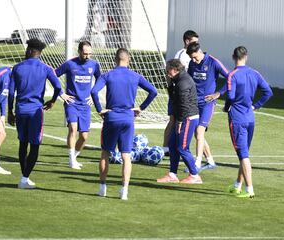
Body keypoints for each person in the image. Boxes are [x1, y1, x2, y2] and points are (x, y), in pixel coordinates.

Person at [91, 48, 157, 200]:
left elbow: (94, 92)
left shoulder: (107, 75)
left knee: (105, 153)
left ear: (115, 59)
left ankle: (102, 187)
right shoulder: (135, 76)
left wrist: (100, 109)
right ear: (129, 60)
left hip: (111, 118)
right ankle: (124, 191)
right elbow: (153, 91)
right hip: (128, 118)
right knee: (126, 156)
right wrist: (141, 108)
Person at [8, 38, 74, 189]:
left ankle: (24, 177)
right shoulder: (45, 68)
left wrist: (10, 111)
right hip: (36, 112)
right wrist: (52, 101)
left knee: (23, 143)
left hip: (21, 109)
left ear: (30, 51)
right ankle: (24, 178)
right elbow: (58, 87)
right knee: (35, 145)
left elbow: (11, 92)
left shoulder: (17, 68)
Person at [224, 46, 273, 198]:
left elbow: (230, 96)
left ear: (233, 56)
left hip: (237, 119)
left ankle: (249, 189)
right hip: (250, 118)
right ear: (246, 56)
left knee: (243, 155)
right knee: (243, 153)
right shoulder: (254, 73)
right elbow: (268, 92)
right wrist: (255, 105)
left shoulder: (232, 75)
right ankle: (237, 185)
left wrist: (226, 107)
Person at [56, 41, 101, 170]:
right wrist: (61, 93)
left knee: (84, 137)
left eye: (89, 54)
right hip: (72, 103)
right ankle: (71, 160)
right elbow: (53, 75)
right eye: (85, 53)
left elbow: (100, 79)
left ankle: (74, 157)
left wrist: (94, 95)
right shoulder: (70, 64)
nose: (87, 56)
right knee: (73, 129)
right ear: (79, 51)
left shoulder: (94, 65)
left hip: (85, 105)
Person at [157, 59, 202, 184]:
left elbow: (184, 104)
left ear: (175, 69)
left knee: (182, 148)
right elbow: (174, 99)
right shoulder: (177, 81)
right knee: (172, 145)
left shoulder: (184, 82)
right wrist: (170, 84)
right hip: (181, 116)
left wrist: (180, 121)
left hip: (188, 118)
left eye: (168, 70)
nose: (166, 73)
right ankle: (172, 174)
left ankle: (194, 175)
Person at [186, 42, 229, 171]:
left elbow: (230, 77)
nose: (194, 60)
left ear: (200, 51)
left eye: (195, 57)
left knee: (199, 132)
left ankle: (197, 164)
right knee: (197, 134)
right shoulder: (192, 64)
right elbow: (189, 80)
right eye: (191, 58)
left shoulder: (213, 62)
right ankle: (210, 161)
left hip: (207, 103)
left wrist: (218, 93)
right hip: (193, 102)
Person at [163, 30, 199, 156]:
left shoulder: (184, 53)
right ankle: (169, 148)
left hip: (181, 91)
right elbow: (174, 74)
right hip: (180, 93)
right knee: (176, 120)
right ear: (187, 41)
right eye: (194, 42)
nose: (197, 45)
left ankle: (170, 148)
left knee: (176, 121)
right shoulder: (183, 55)